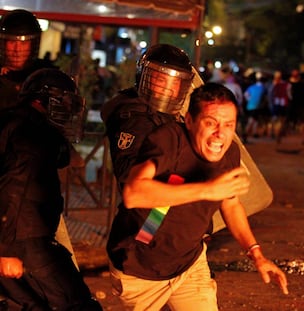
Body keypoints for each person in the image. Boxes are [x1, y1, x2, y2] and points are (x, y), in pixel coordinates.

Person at [108, 82, 288, 310]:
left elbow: (231, 205)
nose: (220, 134)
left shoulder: (229, 151)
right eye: (211, 123)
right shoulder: (170, 140)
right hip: (139, 270)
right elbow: (134, 193)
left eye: (228, 125)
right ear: (190, 121)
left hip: (190, 264)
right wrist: (208, 189)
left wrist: (256, 254)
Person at [0, 68, 102, 310]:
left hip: (20, 237)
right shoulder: (31, 132)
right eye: (64, 103)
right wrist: (4, 250)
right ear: (44, 99)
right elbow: (13, 188)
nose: (68, 112)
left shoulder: (14, 122)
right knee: (76, 304)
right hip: (25, 240)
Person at [101, 43, 195, 188]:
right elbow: (127, 174)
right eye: (160, 80)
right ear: (144, 77)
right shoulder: (135, 117)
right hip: (149, 203)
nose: (167, 88)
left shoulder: (169, 116)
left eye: (175, 82)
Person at [0, 9, 57, 111]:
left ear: (33, 44)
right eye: (12, 42)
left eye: (23, 43)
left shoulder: (45, 76)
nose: (17, 49)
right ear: (3, 43)